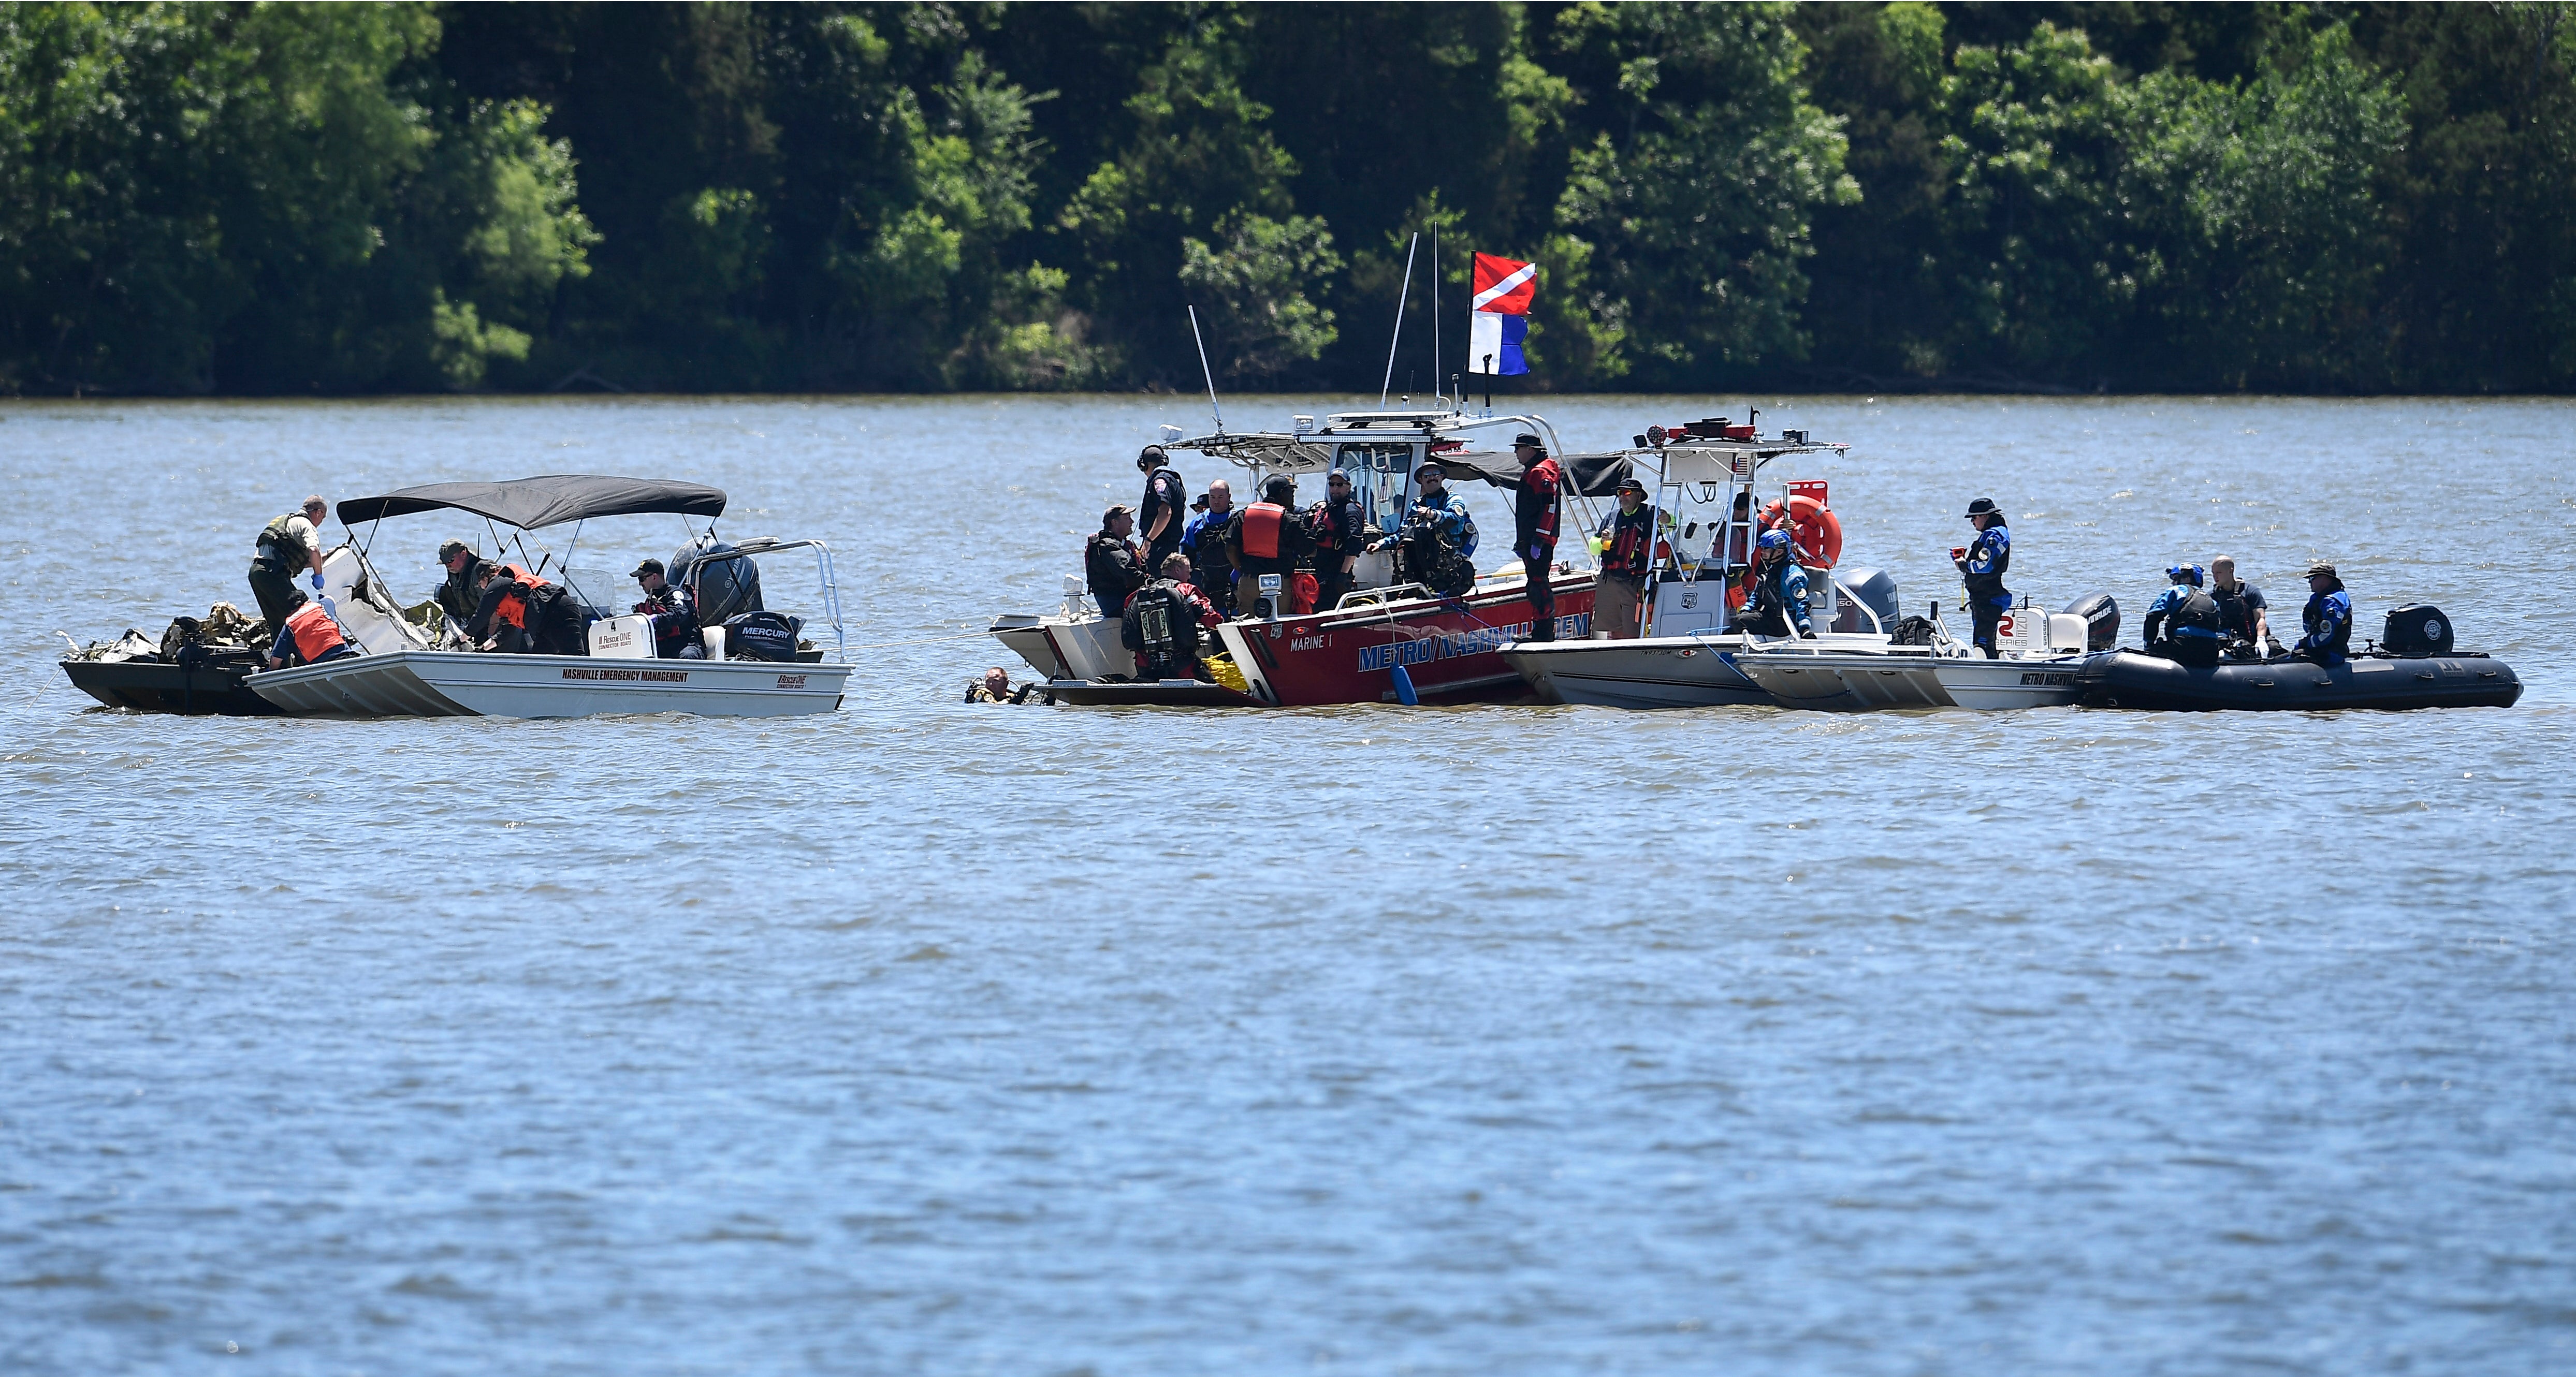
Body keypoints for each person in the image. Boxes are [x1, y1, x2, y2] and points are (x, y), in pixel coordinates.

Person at [1372, 460, 1477, 598]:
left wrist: (1432, 514)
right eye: (1427, 475)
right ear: (1421, 480)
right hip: (1420, 565)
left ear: (1442, 477)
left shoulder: (1453, 499)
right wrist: (1381, 544)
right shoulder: (1416, 505)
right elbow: (1403, 532)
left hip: (1447, 566)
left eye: (1435, 474)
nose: (1431, 478)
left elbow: (1454, 518)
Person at [1121, 552, 1223, 680]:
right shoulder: (1187, 590)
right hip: (1182, 667)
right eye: (1188, 572)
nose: (1190, 576)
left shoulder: (1136, 595)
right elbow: (1211, 620)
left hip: (1145, 667)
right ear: (1177, 570)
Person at [1226, 476, 1317, 616]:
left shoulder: (1244, 515)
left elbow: (1230, 549)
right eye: (1291, 493)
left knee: (1248, 625)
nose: (1293, 498)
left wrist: (1241, 569)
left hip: (1249, 583)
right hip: (1279, 585)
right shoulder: (1288, 519)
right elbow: (1311, 550)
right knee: (1278, 627)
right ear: (1282, 493)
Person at [247, 495, 330, 631]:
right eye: (323, 517)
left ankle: (280, 652)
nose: (321, 521)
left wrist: (329, 555)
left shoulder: (286, 520)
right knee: (302, 613)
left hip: (257, 574)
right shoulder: (307, 525)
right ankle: (313, 650)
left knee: (278, 622)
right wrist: (318, 575)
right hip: (272, 574)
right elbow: (314, 550)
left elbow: (304, 561)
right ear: (318, 513)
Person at [1510, 432, 1564, 641]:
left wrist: (1539, 539)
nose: (1515, 453)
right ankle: (1539, 633)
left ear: (1529, 450)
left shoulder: (1540, 473)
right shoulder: (1534, 471)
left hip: (1539, 541)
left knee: (1539, 584)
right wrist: (1522, 541)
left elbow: (1549, 507)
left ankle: (1543, 635)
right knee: (1535, 583)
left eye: (1518, 448)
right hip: (1531, 539)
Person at [1592, 476, 1657, 639]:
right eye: (1620, 493)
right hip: (1610, 580)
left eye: (1627, 493)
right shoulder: (1611, 517)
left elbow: (1674, 526)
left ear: (1639, 495)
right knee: (1609, 627)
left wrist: (1668, 519)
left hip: (1635, 582)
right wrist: (1602, 541)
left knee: (1632, 629)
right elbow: (1593, 547)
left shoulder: (1651, 515)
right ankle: (1613, 653)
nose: (1622, 497)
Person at [1955, 496, 2012, 658]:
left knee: (1982, 643)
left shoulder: (1995, 536)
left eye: (1974, 517)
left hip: (1989, 598)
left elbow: (1986, 566)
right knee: (1984, 641)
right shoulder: (1993, 533)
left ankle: (1988, 672)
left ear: (1985, 516)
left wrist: (1964, 565)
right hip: (1983, 598)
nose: (1972, 522)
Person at [1307, 469, 1370, 615]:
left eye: (1340, 485)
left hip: (1336, 575)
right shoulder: (1327, 509)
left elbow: (1354, 546)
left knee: (1329, 613)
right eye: (1332, 484)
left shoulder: (1350, 511)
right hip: (1320, 573)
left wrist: (1343, 575)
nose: (1335, 489)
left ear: (1348, 487)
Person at [2141, 564, 2224, 666]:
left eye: (2176, 579)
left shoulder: (2176, 591)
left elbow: (2153, 616)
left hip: (2182, 647)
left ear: (2187, 578)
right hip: (2210, 652)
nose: (2173, 583)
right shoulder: (2212, 601)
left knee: (2158, 647)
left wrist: (2148, 646)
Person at [1181, 479, 1239, 615]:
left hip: (1235, 581)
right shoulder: (1197, 523)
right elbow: (1186, 556)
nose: (1216, 501)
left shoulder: (1239, 520)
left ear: (1229, 497)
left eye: (1220, 497)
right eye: (1212, 498)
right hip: (1208, 582)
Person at [1743, 529, 1815, 638]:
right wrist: (1745, 610)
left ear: (1779, 551)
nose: (1762, 552)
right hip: (1771, 617)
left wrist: (1804, 629)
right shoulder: (1771, 571)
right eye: (1762, 548)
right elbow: (1756, 597)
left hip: (1786, 624)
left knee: (1741, 621)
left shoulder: (1793, 575)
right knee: (1737, 622)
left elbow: (1802, 603)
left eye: (1766, 549)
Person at [264, 589, 356, 669]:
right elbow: (330, 598)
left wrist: (272, 672)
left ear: (292, 610)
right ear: (308, 601)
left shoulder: (290, 624)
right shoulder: (322, 606)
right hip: (344, 655)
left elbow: (276, 659)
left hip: (319, 666)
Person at [632, 558, 703, 658]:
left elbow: (678, 613)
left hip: (687, 643)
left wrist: (655, 619)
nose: (640, 584)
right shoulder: (651, 600)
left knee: (687, 656)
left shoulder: (676, 593)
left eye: (642, 579)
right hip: (664, 646)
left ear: (654, 577)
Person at [1085, 505, 1147, 618]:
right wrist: (1151, 582)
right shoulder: (1107, 546)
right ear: (1114, 523)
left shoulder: (1123, 544)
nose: (1132, 522)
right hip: (1115, 603)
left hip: (1126, 597)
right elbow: (1129, 574)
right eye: (1128, 518)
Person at [1136, 445, 1190, 574]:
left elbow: (1166, 512)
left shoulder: (1160, 480)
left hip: (1162, 546)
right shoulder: (1172, 479)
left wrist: (1149, 540)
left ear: (1144, 465)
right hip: (1170, 545)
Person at [2290, 560, 2352, 664]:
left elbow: (2326, 636)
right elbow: (2308, 627)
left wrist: (2306, 643)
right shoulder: (2317, 598)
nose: (2309, 582)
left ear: (2324, 578)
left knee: (2295, 657)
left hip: (2330, 653)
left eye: (2312, 578)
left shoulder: (2333, 603)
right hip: (2319, 649)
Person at [2208, 556, 2271, 655]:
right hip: (2225, 640)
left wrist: (2261, 640)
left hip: (2252, 638)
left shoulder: (2251, 591)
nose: (2215, 577)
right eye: (2213, 573)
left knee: (2275, 648)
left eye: (2219, 573)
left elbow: (2260, 619)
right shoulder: (2212, 596)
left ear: (2231, 571)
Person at [435, 540, 498, 626]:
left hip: (485, 624)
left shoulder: (481, 571)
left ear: (463, 554)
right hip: (465, 620)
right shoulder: (454, 570)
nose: (448, 566)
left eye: (451, 561)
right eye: (445, 563)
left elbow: (492, 609)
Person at [966, 666, 1039, 704]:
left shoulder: (1011, 696)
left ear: (1006, 683)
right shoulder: (983, 693)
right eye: (988, 681)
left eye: (996, 681)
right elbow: (993, 706)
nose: (991, 684)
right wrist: (1019, 696)